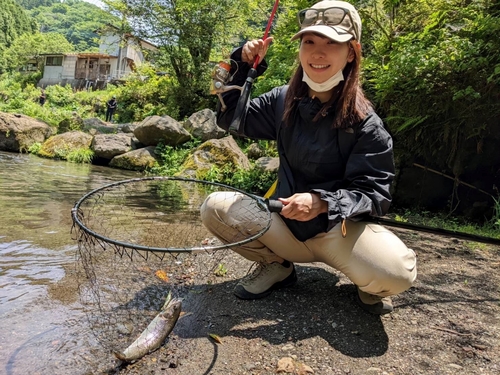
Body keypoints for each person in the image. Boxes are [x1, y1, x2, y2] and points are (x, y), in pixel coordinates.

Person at [201, 0, 417, 315]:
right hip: (284, 225)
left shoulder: (367, 125)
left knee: (398, 273)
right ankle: (276, 266)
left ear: (351, 52)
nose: (318, 52)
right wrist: (242, 62)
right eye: (309, 41)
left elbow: (376, 194)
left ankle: (367, 279)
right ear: (300, 49)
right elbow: (231, 117)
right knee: (213, 208)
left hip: (338, 232)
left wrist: (321, 202)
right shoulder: (282, 100)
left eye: (333, 43)